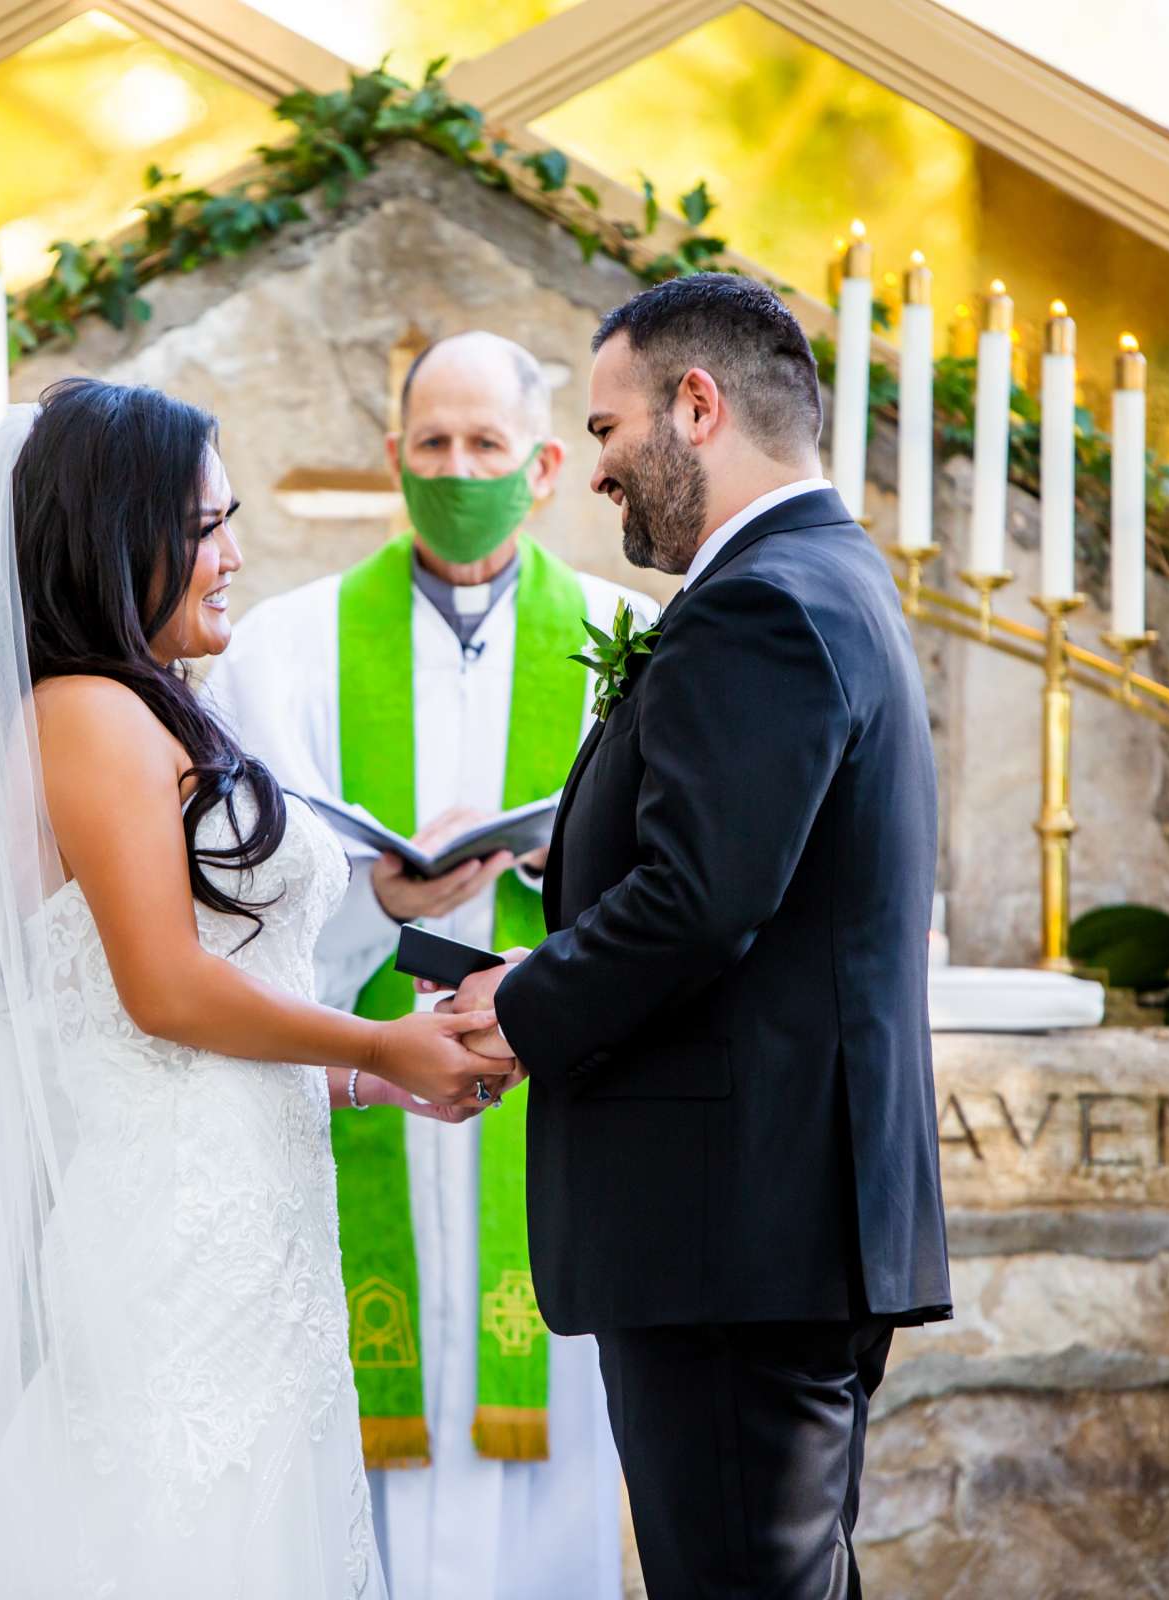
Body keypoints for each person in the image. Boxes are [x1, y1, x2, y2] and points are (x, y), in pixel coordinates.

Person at [0, 379, 505, 1600]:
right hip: (171, 1234)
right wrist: (377, 1034)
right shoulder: (87, 716)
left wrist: (361, 1075)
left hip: (248, 1212)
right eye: (209, 525)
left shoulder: (155, 706)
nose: (236, 554)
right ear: (120, 536)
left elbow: (169, 997)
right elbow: (162, 990)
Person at [433, 275, 953, 1599]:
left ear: (698, 406)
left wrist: (521, 1003)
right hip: (772, 1221)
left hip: (735, 1223)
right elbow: (755, 861)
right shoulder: (826, 577)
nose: (597, 472)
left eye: (606, 431)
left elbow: (706, 898)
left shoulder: (759, 603)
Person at [206, 331, 652, 1600]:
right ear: (396, 457)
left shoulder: (631, 641)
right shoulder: (283, 648)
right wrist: (378, 896)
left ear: (547, 464)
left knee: (553, 1452)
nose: (458, 468)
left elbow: (674, 889)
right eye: (434, 444)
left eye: (487, 445)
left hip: (547, 1099)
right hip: (370, 1092)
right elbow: (246, 900)